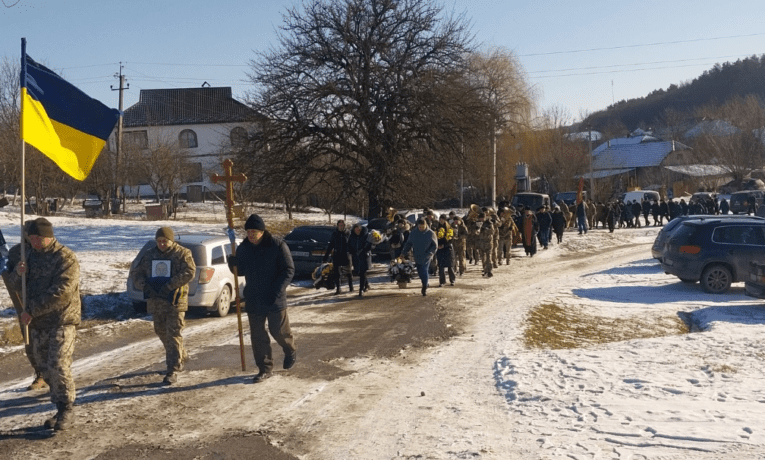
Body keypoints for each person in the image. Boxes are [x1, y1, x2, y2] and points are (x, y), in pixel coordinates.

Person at [7, 218, 80, 431]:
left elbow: (63, 292)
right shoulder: (27, 256)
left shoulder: (65, 257)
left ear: (49, 236)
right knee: (43, 366)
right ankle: (59, 407)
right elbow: (15, 286)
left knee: (58, 364)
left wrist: (31, 310)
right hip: (37, 323)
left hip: (61, 320)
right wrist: (18, 274)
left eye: (39, 239)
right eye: (32, 239)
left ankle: (67, 409)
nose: (35, 243)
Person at [228, 214, 297, 383]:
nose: (251, 234)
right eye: (248, 231)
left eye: (254, 231)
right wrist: (233, 263)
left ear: (262, 231)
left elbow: (288, 270)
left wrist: (278, 290)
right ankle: (265, 368)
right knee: (258, 336)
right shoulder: (244, 248)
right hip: (254, 298)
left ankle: (290, 350)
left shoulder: (277, 245)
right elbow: (241, 271)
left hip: (274, 297)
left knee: (278, 332)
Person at [131, 227, 196, 385]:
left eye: (164, 241)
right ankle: (179, 354)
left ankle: (172, 369)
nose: (161, 244)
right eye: (159, 241)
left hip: (175, 301)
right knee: (160, 331)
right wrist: (144, 285)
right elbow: (137, 272)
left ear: (171, 240)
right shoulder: (150, 254)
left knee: (173, 333)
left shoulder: (182, 254)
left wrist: (169, 285)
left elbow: (190, 271)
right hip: (156, 301)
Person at [2, 222, 48, 391]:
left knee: (49, 342)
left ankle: (54, 374)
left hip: (46, 304)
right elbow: (11, 282)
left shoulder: (47, 251)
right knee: (31, 343)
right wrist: (18, 272)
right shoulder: (16, 253)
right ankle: (40, 374)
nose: (30, 236)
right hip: (25, 305)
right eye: (28, 233)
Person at [401, 217, 437, 296]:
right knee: (420, 271)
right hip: (417, 255)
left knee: (424, 270)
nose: (421, 228)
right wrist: (403, 253)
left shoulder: (431, 233)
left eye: (422, 227)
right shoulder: (413, 233)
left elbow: (434, 246)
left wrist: (430, 253)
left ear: (426, 225)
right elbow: (408, 244)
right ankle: (425, 282)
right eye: (419, 227)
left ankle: (424, 286)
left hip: (427, 255)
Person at [323, 220, 352, 295]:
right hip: (337, 255)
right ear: (337, 226)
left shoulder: (348, 233)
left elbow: (352, 244)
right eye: (339, 225)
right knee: (337, 273)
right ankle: (338, 289)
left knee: (348, 272)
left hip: (346, 255)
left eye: (342, 225)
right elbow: (330, 245)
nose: (341, 227)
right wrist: (326, 256)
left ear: (344, 226)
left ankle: (351, 287)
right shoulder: (335, 234)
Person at [348, 223, 372, 298]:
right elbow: (349, 245)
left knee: (363, 272)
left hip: (364, 256)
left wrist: (364, 250)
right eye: (355, 230)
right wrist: (351, 251)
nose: (357, 231)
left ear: (360, 229)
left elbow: (369, 245)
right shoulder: (352, 236)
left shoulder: (365, 235)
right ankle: (366, 284)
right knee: (359, 272)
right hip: (356, 257)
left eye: (358, 230)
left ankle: (361, 289)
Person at [436, 215, 455, 286]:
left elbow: (452, 240)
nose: (441, 220)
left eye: (443, 219)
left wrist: (445, 245)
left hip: (448, 249)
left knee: (450, 266)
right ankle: (442, 281)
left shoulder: (449, 228)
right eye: (440, 219)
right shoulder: (436, 228)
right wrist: (437, 245)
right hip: (440, 250)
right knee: (441, 266)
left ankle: (452, 280)